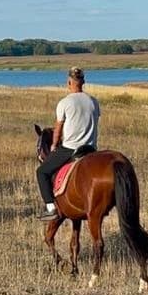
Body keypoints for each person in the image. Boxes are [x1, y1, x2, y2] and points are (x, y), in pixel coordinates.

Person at [35, 67, 100, 220]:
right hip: (91, 148)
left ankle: (51, 208)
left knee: (42, 172)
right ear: (83, 82)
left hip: (70, 149)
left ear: (69, 82)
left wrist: (53, 145)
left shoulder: (65, 102)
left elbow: (58, 129)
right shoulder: (94, 102)